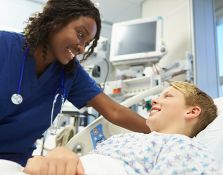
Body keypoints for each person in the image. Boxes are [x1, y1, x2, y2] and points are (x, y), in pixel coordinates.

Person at [0, 0, 149, 168]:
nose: (82, 48)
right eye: (80, 35)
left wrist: (162, 132)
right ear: (56, 21)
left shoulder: (70, 72)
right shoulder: (4, 45)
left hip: (15, 165)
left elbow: (114, 111)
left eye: (87, 43)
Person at [24, 81, 219, 175]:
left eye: (167, 96)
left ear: (192, 112)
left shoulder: (184, 146)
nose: (155, 100)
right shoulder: (126, 139)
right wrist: (60, 154)